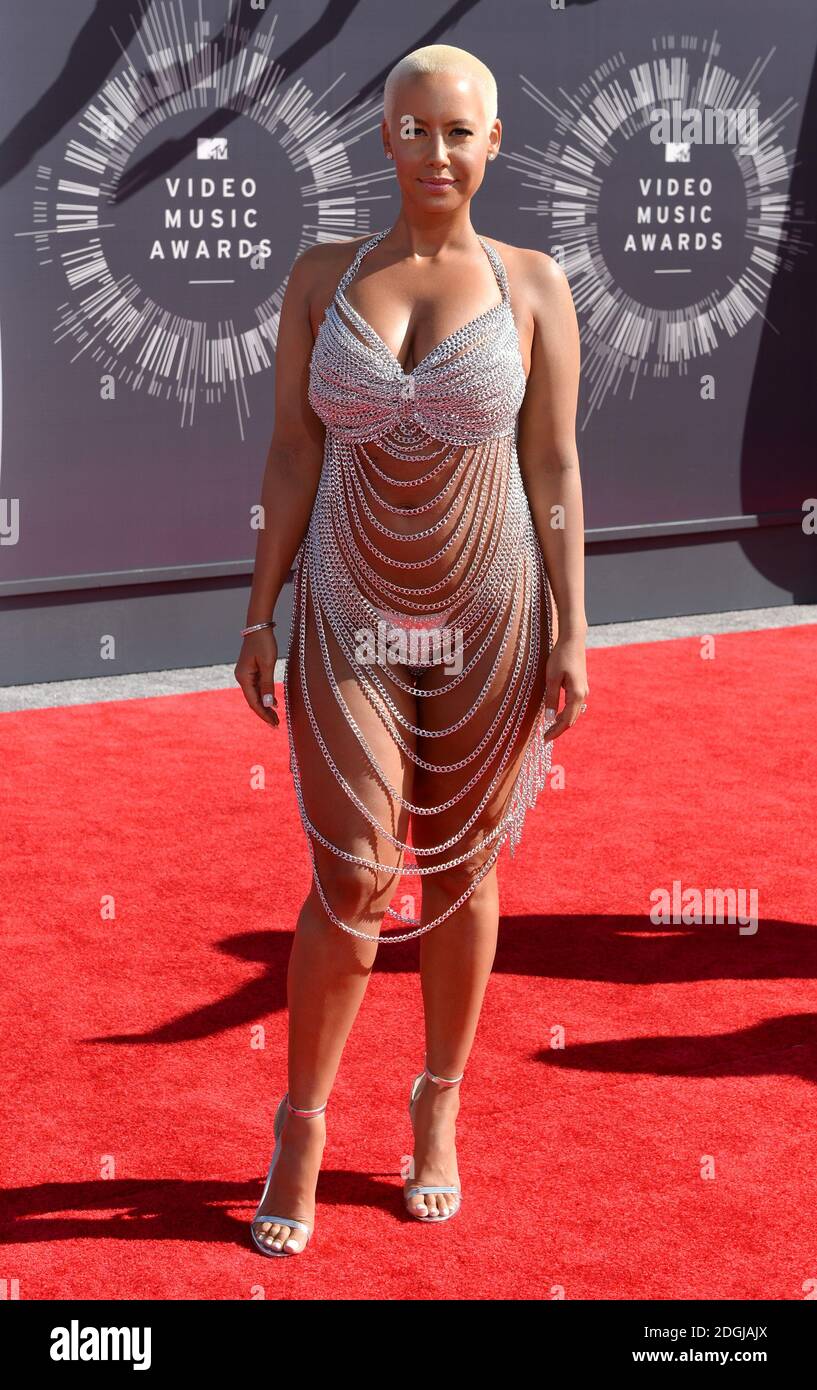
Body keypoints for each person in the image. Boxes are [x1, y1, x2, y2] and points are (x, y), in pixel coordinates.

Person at [234, 43, 589, 1256]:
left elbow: (549, 466)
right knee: (353, 873)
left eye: (458, 132)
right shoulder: (320, 277)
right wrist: (257, 608)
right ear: (381, 137)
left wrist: (575, 623)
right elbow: (291, 454)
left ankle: (437, 1107)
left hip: (492, 607)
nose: (435, 153)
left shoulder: (535, 284)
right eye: (413, 128)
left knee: (466, 869)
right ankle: (303, 1122)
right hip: (350, 605)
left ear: (495, 145)